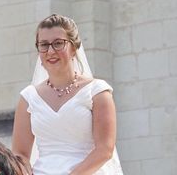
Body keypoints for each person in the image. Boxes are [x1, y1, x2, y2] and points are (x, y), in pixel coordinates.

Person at [12, 14, 124, 175]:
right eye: (44, 45)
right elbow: (20, 155)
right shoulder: (28, 97)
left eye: (58, 43)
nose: (50, 51)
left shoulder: (97, 92)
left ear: (74, 47)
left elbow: (105, 150)